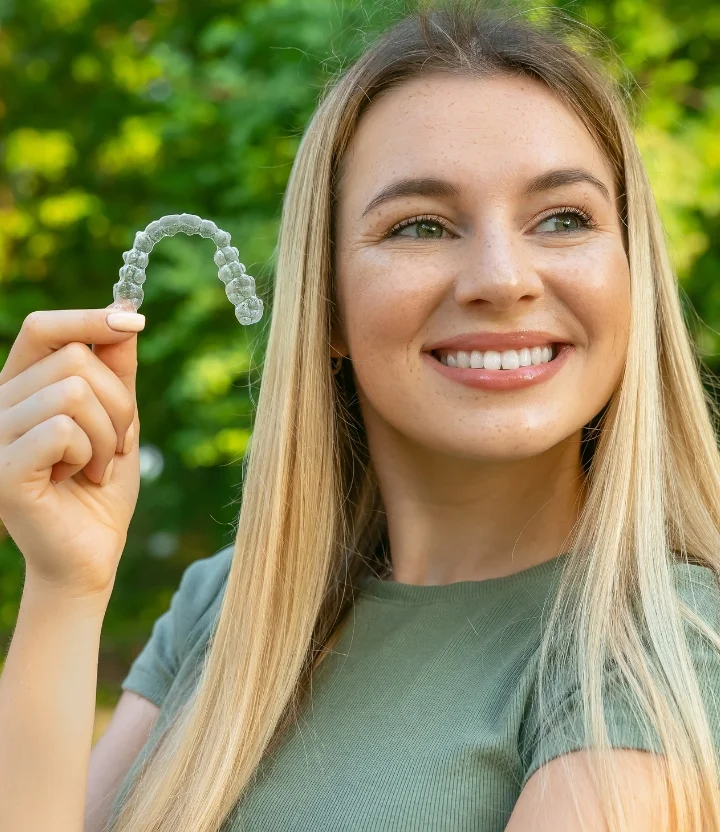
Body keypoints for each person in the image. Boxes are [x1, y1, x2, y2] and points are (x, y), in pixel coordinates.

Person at [2, 1, 720, 830]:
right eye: (421, 226)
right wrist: (65, 586)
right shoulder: (225, 605)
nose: (502, 278)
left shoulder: (663, 649)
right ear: (328, 306)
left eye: (564, 218)